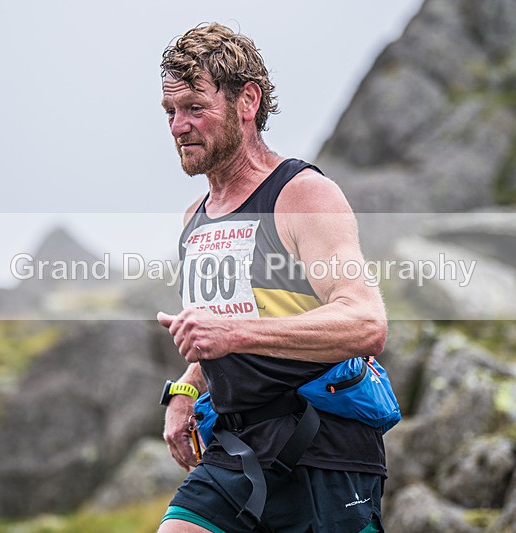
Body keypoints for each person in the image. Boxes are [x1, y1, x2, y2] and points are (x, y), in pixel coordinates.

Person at [156, 23, 389, 533]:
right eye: (170, 111)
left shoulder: (302, 194)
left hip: (324, 452)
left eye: (194, 107)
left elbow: (365, 322)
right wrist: (187, 389)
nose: (178, 126)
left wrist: (233, 334)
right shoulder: (195, 219)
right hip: (234, 452)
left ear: (247, 101)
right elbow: (230, 328)